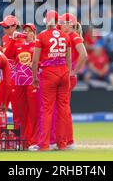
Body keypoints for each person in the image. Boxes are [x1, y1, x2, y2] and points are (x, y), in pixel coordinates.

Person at [31, 10, 71, 151]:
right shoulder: (65, 36)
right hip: (64, 72)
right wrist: (68, 74)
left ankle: (44, 144)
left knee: (47, 109)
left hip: (49, 73)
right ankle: (62, 144)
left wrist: (34, 76)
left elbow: (35, 61)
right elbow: (68, 59)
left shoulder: (41, 36)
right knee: (63, 109)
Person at [53, 13, 87, 150]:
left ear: (72, 25)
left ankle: (68, 140)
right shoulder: (68, 37)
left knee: (63, 109)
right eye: (62, 23)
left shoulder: (73, 36)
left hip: (68, 76)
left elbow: (84, 55)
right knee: (64, 109)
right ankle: (66, 139)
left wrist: (74, 71)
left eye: (66, 23)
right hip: (66, 75)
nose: (63, 25)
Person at [4, 23, 40, 149]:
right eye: (25, 30)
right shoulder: (18, 44)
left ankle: (35, 141)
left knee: (34, 112)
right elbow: (7, 56)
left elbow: (44, 59)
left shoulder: (37, 44)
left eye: (29, 31)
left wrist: (37, 64)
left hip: (32, 81)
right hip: (19, 82)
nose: (27, 33)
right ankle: (23, 140)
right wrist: (13, 41)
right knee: (21, 112)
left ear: (34, 33)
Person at [0, 15, 21, 136]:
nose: (4, 29)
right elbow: (7, 54)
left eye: (6, 27)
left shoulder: (22, 38)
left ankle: (18, 137)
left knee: (18, 110)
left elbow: (11, 55)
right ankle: (2, 136)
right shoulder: (5, 37)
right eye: (3, 26)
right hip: (5, 77)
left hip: (17, 79)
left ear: (14, 26)